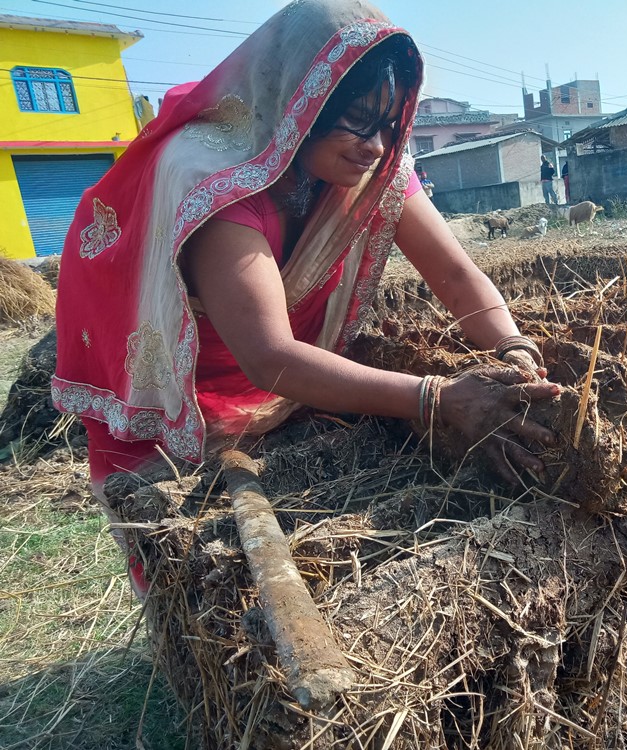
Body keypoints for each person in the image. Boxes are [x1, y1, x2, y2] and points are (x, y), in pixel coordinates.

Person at [52, 0, 560, 595]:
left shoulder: (374, 169)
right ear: (300, 102)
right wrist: (438, 398)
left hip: (286, 388)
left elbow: (452, 271)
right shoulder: (214, 179)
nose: (376, 146)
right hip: (176, 393)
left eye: (390, 125)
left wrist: (515, 348)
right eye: (357, 120)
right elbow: (269, 355)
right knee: (197, 580)